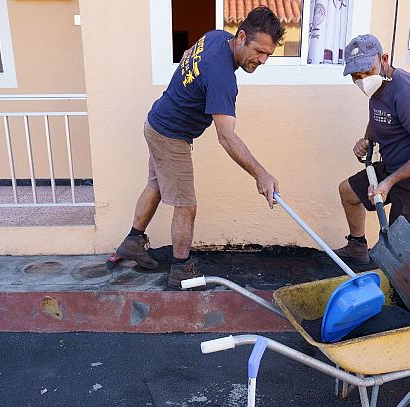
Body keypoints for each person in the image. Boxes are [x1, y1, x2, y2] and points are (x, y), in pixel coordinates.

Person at [110, 7, 284, 289]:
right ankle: (181, 268)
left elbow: (187, 64)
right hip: (170, 135)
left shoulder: (215, 37)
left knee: (156, 185)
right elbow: (226, 137)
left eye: (268, 54)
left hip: (155, 121)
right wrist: (261, 174)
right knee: (186, 204)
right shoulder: (222, 77)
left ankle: (132, 241)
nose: (262, 60)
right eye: (259, 51)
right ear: (241, 37)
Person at [335, 34, 410, 267]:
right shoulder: (378, 87)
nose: (362, 79)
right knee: (348, 192)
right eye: (356, 75)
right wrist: (367, 140)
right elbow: (380, 118)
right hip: (394, 166)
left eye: (367, 71)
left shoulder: (406, 92)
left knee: (400, 252)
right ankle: (357, 247)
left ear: (384, 59)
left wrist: (388, 183)